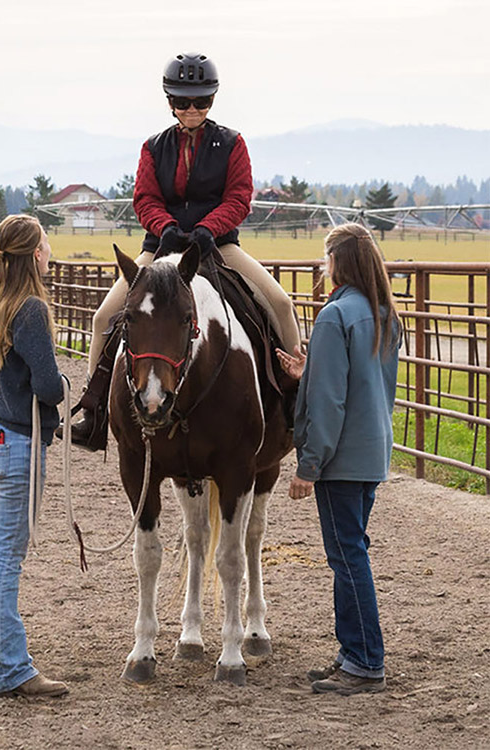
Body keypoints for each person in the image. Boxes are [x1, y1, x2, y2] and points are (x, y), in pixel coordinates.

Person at [68, 51, 301, 449]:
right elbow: (145, 199)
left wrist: (209, 228)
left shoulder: (232, 144)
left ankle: (296, 402)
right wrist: (167, 228)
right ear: (169, 102)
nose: (192, 109)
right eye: (182, 101)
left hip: (218, 247)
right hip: (162, 248)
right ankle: (94, 412)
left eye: (201, 101)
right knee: (104, 316)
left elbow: (240, 197)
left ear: (212, 101)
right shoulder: (153, 147)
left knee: (280, 304)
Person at [276, 222, 401, 696]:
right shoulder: (384, 313)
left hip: (341, 459)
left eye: (326, 258)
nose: (322, 267)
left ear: (338, 262)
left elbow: (329, 401)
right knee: (353, 551)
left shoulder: (333, 317)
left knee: (347, 557)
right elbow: (361, 380)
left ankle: (366, 661)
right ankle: (353, 651)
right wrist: (311, 369)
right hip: (371, 452)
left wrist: (309, 465)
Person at [0, 214, 69, 698]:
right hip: (17, 445)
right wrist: (65, 385)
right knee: (6, 562)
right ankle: (10, 669)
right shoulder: (30, 309)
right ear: (35, 255)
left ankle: (4, 662)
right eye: (47, 246)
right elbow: (49, 385)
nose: (50, 253)